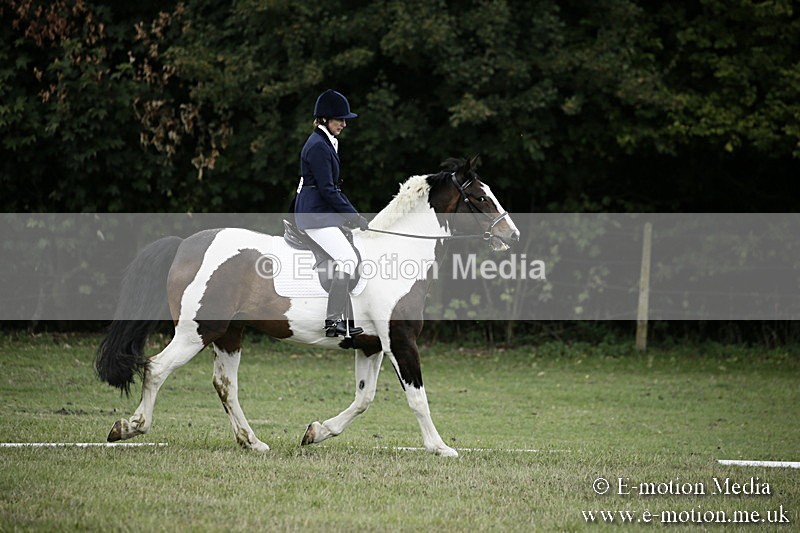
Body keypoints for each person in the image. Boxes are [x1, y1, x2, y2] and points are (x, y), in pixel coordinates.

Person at [294, 89, 370, 338]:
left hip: (320, 212)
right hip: (314, 215)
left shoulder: (326, 141)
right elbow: (327, 189)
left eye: (345, 119)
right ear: (325, 118)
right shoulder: (317, 145)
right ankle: (333, 321)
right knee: (348, 260)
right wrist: (353, 215)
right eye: (340, 119)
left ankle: (346, 319)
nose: (344, 124)